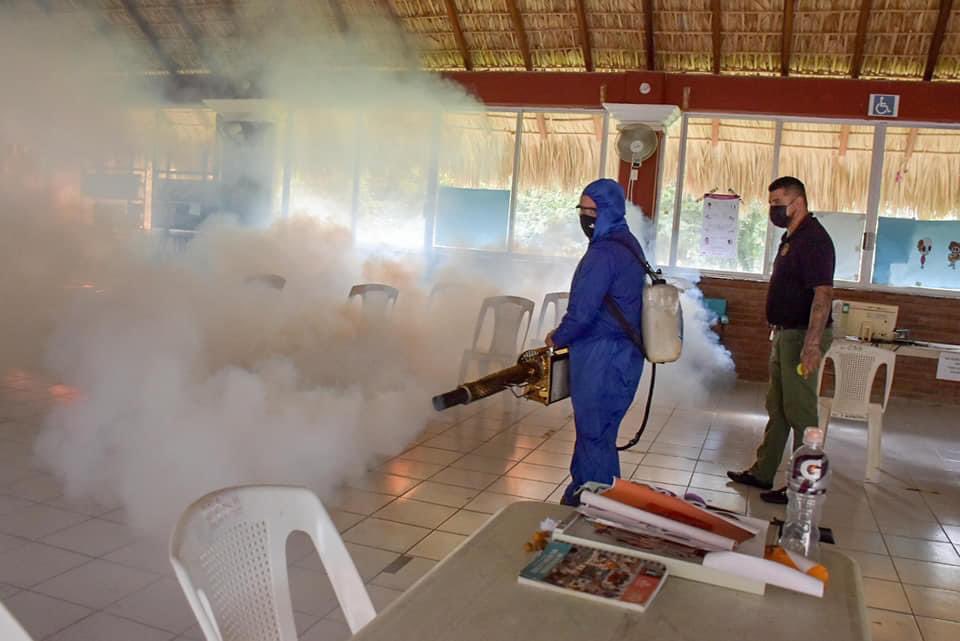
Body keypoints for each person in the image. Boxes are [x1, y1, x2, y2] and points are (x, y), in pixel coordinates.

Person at [727, 176, 835, 504]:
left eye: (777, 203)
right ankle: (763, 472)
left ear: (797, 202)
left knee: (801, 411)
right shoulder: (792, 237)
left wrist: (812, 344)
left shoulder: (814, 239)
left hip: (803, 336)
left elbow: (823, 293)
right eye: (771, 203)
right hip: (786, 333)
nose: (772, 210)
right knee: (777, 407)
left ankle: (803, 486)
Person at [546, 178, 647, 506]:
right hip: (624, 357)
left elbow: (582, 312)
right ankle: (582, 498)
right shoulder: (629, 243)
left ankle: (594, 506)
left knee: (594, 436)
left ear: (610, 210)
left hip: (602, 358)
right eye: (582, 209)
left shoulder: (603, 253)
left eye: (593, 210)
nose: (586, 217)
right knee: (599, 436)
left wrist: (557, 337)